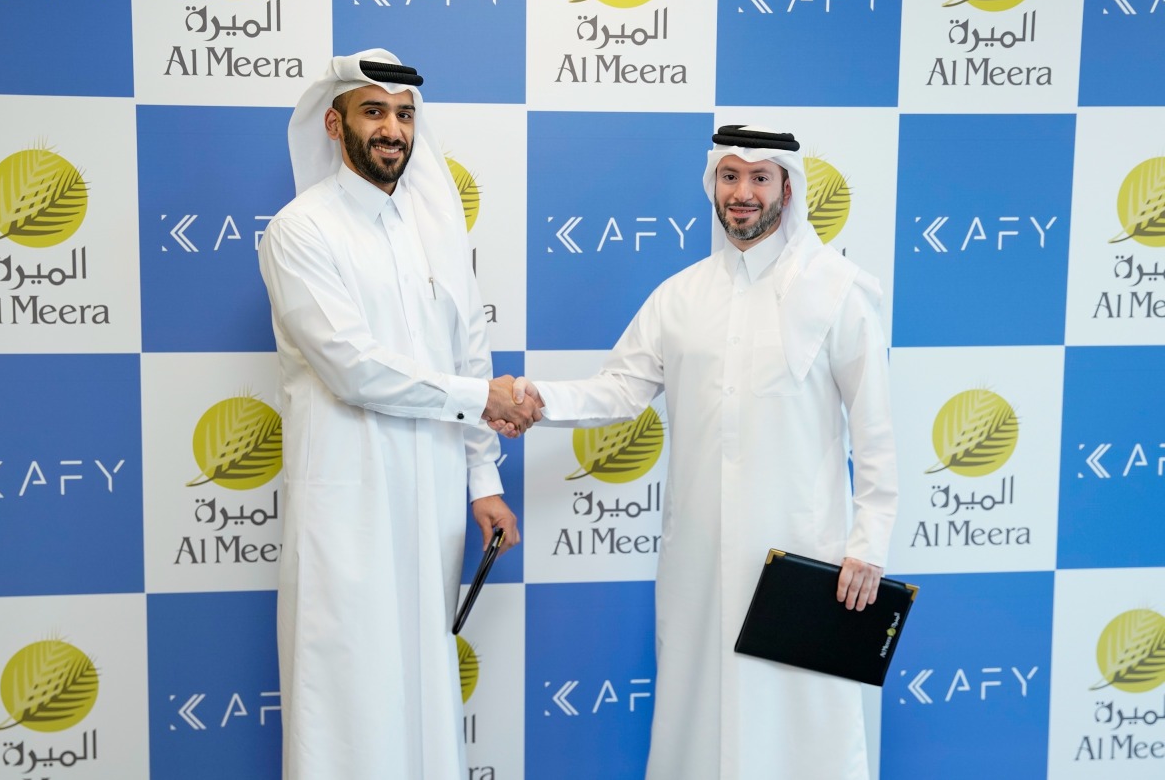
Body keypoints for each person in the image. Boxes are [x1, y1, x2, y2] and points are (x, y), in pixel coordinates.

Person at [501, 126, 898, 779]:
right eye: (730, 176)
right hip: (700, 563)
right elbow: (620, 391)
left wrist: (869, 540)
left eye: (759, 178)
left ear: (787, 188)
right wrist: (534, 396)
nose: (742, 193)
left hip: (805, 559)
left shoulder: (838, 294)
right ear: (713, 183)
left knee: (805, 731)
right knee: (698, 723)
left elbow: (876, 432)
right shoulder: (679, 296)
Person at [258, 48, 536, 779]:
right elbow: (353, 367)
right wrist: (484, 399)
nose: (392, 129)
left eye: (405, 114)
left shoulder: (433, 229)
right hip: (346, 511)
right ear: (333, 121)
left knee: (420, 691)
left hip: (431, 502)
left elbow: (468, 351)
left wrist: (482, 479)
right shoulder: (299, 231)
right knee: (348, 698)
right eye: (374, 111)